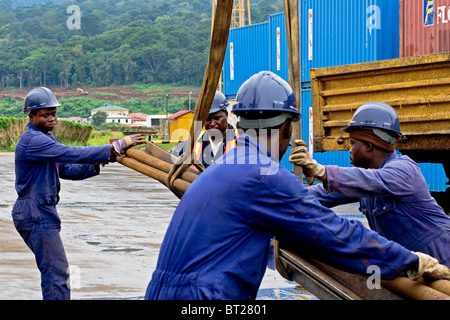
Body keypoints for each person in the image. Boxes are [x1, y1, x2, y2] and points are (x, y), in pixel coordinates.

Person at [144, 72, 449, 300]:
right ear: (286, 128)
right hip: (202, 297)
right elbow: (334, 232)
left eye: (353, 142)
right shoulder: (264, 175)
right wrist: (407, 259)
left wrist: (316, 178)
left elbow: (319, 203)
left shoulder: (233, 164)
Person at [12, 87, 145, 300]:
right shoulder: (33, 141)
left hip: (42, 211)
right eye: (45, 115)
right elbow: (71, 153)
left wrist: (101, 160)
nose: (52, 118)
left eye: (54, 113)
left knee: (56, 270)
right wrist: (113, 147)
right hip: (34, 211)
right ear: (32, 116)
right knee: (56, 271)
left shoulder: (46, 139)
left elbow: (66, 169)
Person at [289, 101, 450, 267]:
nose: (349, 150)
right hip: (415, 266)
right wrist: (282, 196)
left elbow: (371, 180)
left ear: (369, 145)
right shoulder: (365, 183)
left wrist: (321, 170)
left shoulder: (403, 170)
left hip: (443, 258)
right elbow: (320, 195)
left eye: (352, 143)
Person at [172, 91, 239, 168]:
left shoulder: (241, 139)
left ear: (226, 115)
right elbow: (176, 162)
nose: (212, 123)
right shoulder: (194, 141)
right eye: (207, 119)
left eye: (216, 118)